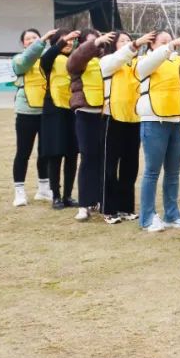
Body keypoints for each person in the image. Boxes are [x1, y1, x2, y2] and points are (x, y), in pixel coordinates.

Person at [66, 29, 142, 221]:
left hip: (107, 114)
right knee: (89, 157)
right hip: (87, 112)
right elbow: (74, 60)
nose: (98, 44)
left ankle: (103, 200)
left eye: (100, 40)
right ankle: (85, 203)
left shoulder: (114, 60)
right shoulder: (82, 60)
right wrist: (95, 43)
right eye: (92, 41)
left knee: (105, 159)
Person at [136, 30, 180, 232]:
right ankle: (147, 217)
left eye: (172, 41)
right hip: (154, 120)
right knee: (152, 171)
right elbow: (149, 65)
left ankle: (172, 213)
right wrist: (168, 47)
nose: (171, 44)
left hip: (177, 120)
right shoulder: (144, 61)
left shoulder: (179, 62)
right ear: (152, 45)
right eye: (163, 41)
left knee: (174, 172)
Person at [104, 31, 155, 222]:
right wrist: (134, 44)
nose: (127, 44)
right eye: (122, 41)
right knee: (110, 166)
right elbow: (117, 59)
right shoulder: (109, 61)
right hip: (113, 118)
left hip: (134, 119)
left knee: (130, 165)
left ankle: (126, 207)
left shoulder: (138, 63)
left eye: (129, 40)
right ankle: (109, 209)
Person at [11, 28, 56, 207]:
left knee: (45, 152)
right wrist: (42, 40)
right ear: (23, 43)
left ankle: (43, 189)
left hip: (46, 111)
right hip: (26, 112)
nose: (31, 40)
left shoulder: (48, 58)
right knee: (23, 152)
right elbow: (26, 61)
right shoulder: (18, 58)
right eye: (28, 39)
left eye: (34, 37)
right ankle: (19, 191)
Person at [40, 29, 82, 209]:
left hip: (73, 109)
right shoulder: (50, 59)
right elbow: (46, 58)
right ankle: (55, 195)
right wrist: (62, 40)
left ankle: (67, 196)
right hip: (54, 110)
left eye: (72, 41)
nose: (69, 44)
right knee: (55, 154)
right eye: (66, 41)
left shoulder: (76, 59)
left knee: (72, 154)